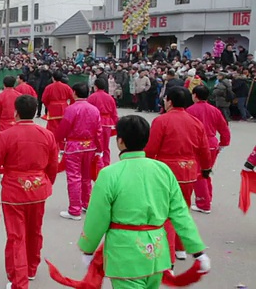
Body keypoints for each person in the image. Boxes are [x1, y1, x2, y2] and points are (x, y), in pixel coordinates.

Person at [78, 115, 210, 289]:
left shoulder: (109, 174)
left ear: (120, 142)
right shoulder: (163, 170)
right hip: (157, 252)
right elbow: (180, 213)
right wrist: (197, 250)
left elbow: (97, 217)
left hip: (125, 254)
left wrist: (88, 248)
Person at [0, 95, 59, 289]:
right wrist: (47, 182)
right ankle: (31, 268)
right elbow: (53, 164)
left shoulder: (7, 135)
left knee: (16, 236)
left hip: (14, 190)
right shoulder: (46, 134)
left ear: (15, 112)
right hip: (39, 188)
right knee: (35, 231)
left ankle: (18, 279)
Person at [145, 86, 212, 262]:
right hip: (188, 170)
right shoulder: (195, 122)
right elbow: (204, 150)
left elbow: (151, 148)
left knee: (164, 211)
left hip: (166, 170)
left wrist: (145, 166)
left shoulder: (161, 121)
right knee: (183, 210)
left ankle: (169, 249)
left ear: (170, 101)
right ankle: (181, 248)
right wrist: (205, 169)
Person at [56, 82, 102, 220]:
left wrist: (57, 141)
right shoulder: (94, 109)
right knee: (86, 177)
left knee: (74, 177)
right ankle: (86, 204)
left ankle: (74, 210)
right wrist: (99, 149)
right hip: (90, 146)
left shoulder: (71, 109)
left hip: (74, 146)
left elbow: (64, 128)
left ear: (74, 93)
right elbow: (98, 131)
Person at [186, 85, 231, 214]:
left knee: (198, 174)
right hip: (212, 143)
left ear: (195, 95)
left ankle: (203, 203)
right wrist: (224, 142)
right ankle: (207, 197)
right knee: (206, 171)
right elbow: (224, 128)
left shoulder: (190, 110)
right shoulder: (214, 110)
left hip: (198, 144)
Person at [87, 78, 119, 167]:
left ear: (96, 86)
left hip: (95, 122)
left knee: (94, 144)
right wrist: (117, 124)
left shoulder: (92, 97)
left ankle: (95, 163)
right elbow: (114, 113)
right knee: (105, 145)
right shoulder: (110, 98)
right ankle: (106, 163)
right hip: (107, 123)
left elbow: (88, 112)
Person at [41, 71, 75, 143]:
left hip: (53, 108)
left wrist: (48, 105)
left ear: (53, 78)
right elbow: (73, 98)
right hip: (64, 107)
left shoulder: (49, 87)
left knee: (52, 127)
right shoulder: (66, 87)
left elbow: (44, 99)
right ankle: (63, 142)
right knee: (64, 126)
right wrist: (69, 106)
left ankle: (53, 142)